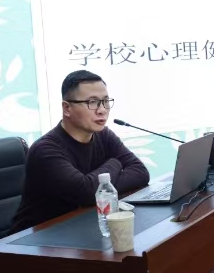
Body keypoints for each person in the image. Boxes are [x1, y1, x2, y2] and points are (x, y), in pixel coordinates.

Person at [10, 70, 150, 232]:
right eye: (92, 102)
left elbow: (140, 173)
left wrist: (99, 187)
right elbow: (86, 193)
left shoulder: (103, 135)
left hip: (81, 226)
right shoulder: (45, 150)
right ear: (67, 108)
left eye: (105, 101)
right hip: (38, 238)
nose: (102, 110)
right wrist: (116, 163)